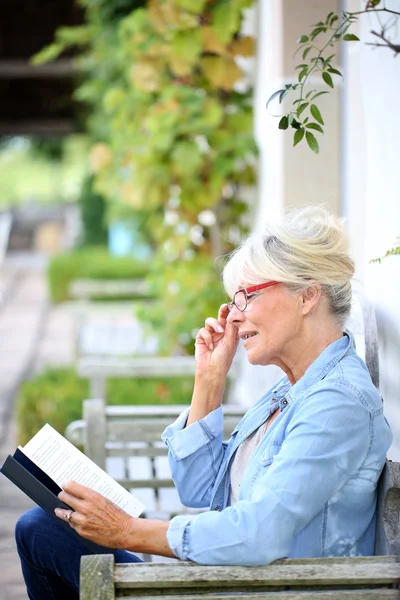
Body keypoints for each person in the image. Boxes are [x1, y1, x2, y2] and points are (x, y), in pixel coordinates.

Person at [15, 206, 392, 599]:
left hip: (256, 591)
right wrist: (209, 380)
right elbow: (199, 489)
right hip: (227, 583)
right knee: (42, 526)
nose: (232, 316)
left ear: (307, 296)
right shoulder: (292, 389)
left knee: (39, 532)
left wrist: (127, 529)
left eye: (246, 296)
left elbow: (259, 532)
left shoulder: (337, 404)